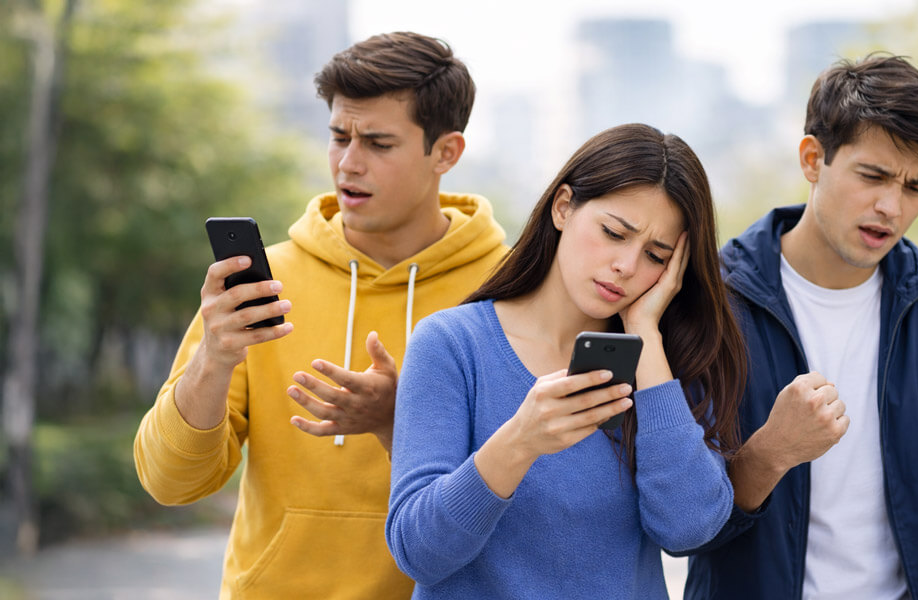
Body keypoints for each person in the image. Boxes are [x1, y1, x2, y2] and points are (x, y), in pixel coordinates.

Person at [133, 32, 507, 599]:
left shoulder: (507, 289)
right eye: (338, 137)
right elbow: (170, 482)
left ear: (446, 153)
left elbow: (534, 485)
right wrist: (213, 357)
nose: (348, 163)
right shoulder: (264, 282)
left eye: (378, 143)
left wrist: (398, 420)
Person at [681, 54, 918, 599]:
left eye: (915, 187)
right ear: (813, 159)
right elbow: (683, 524)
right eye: (873, 176)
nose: (891, 207)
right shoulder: (715, 301)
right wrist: (771, 452)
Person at [384, 123, 747, 599]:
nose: (627, 266)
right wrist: (520, 441)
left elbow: (688, 528)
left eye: (656, 256)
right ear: (562, 207)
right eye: (614, 233)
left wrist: (645, 335)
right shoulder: (452, 344)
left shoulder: (665, 364)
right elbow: (418, 552)